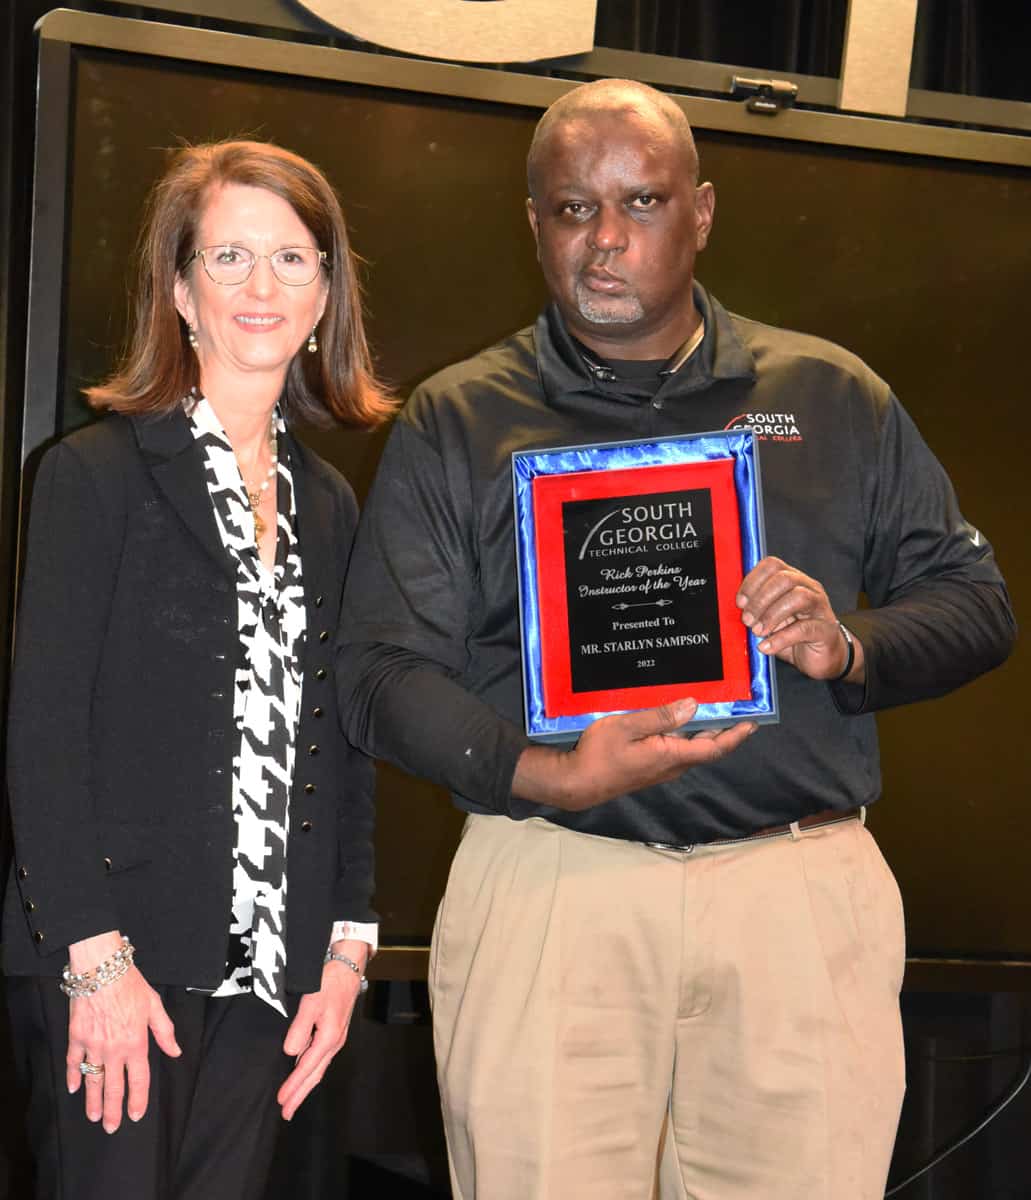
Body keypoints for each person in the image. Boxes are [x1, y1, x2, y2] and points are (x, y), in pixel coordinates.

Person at [336, 79, 1016, 1200]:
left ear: (700, 211)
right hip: (553, 888)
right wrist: (543, 773)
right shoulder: (459, 417)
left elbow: (973, 604)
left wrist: (844, 645)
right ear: (532, 223)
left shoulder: (828, 394)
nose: (603, 243)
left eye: (639, 203)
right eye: (569, 210)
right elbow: (376, 670)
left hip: (795, 895)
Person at [3, 140, 393, 1200]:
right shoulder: (93, 476)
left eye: (292, 260)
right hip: (117, 961)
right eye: (228, 259)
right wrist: (95, 963)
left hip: (271, 971)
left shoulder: (330, 505)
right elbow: (43, 739)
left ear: (326, 293)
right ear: (179, 289)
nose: (261, 288)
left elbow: (342, 741)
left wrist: (345, 951)